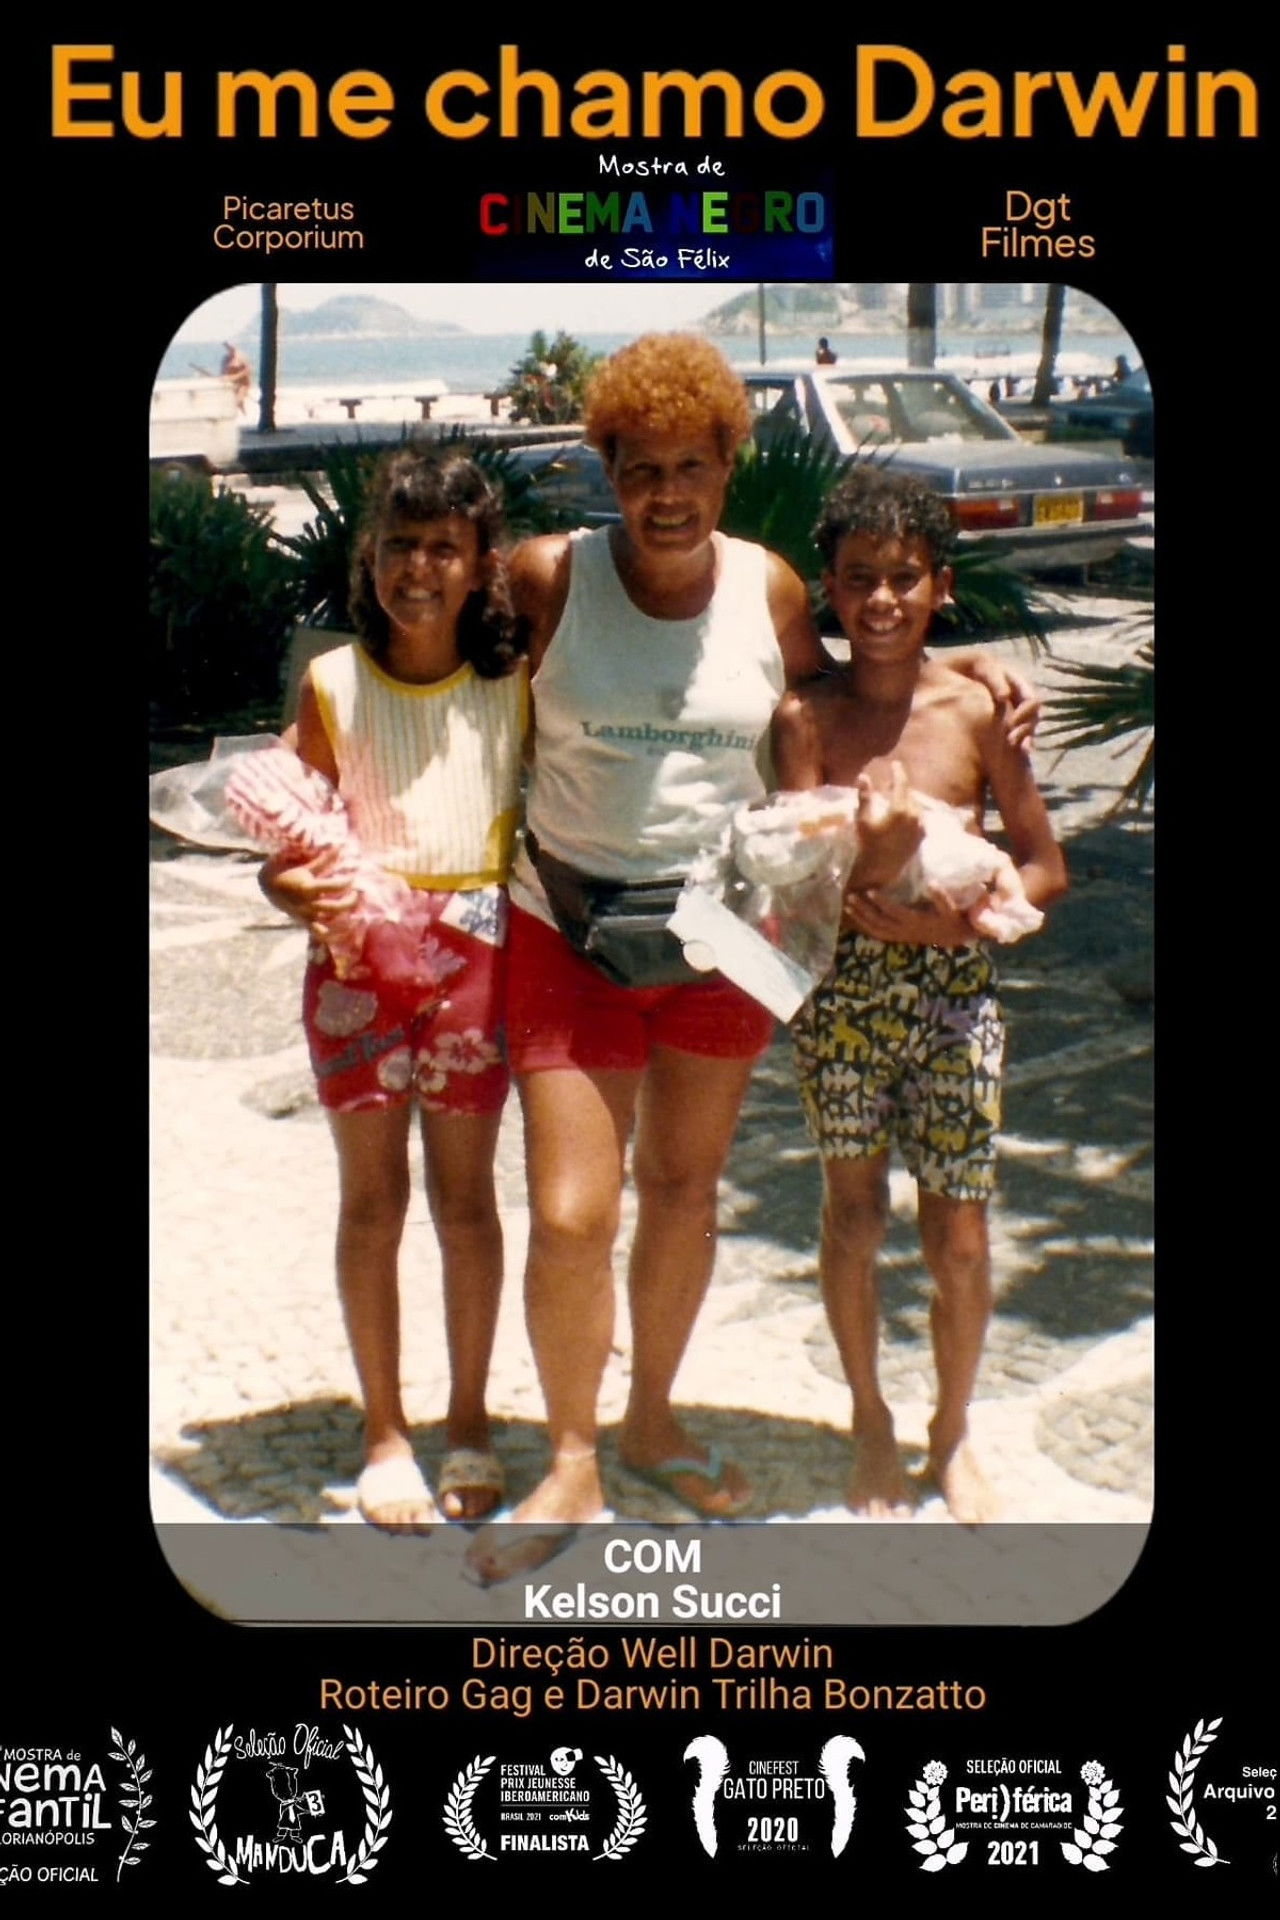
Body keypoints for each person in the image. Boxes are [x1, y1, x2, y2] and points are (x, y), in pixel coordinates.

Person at [466, 335, 1039, 1575]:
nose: (664, 494)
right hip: (565, 923)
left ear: (728, 464)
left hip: (725, 933)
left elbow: (852, 689)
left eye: (690, 466)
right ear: (605, 471)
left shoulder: (770, 588)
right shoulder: (549, 577)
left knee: (683, 1194)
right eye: (637, 469)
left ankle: (649, 1420)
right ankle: (569, 1457)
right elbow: (427, 652)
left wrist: (966, 669)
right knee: (570, 1213)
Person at [771, 466, 1067, 1524]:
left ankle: (951, 1430)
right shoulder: (804, 719)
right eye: (859, 579)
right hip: (841, 1002)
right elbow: (786, 879)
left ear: (941, 585)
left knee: (961, 1239)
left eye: (903, 577)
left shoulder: (975, 711)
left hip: (954, 998)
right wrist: (860, 873)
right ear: (831, 589)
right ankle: (869, 1418)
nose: (882, 600)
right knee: (852, 1218)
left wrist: (954, 924)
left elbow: (1045, 867)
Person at [261, 450, 528, 1529]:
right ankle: (384, 1432)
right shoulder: (331, 684)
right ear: (369, 559)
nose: (418, 568)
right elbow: (284, 842)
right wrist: (289, 888)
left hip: (478, 959)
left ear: (481, 565)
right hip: (357, 966)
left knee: (467, 1203)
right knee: (371, 1203)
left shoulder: (513, 683)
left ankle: (467, 1421)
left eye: (443, 548)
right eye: (399, 545)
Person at [221, 341, 252, 412]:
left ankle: (243, 411)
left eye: (231, 347)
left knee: (238, 401)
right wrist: (223, 377)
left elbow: (248, 370)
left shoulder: (242, 357)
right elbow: (223, 372)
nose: (229, 348)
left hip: (243, 384)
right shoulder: (225, 358)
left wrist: (235, 377)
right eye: (227, 347)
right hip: (230, 384)